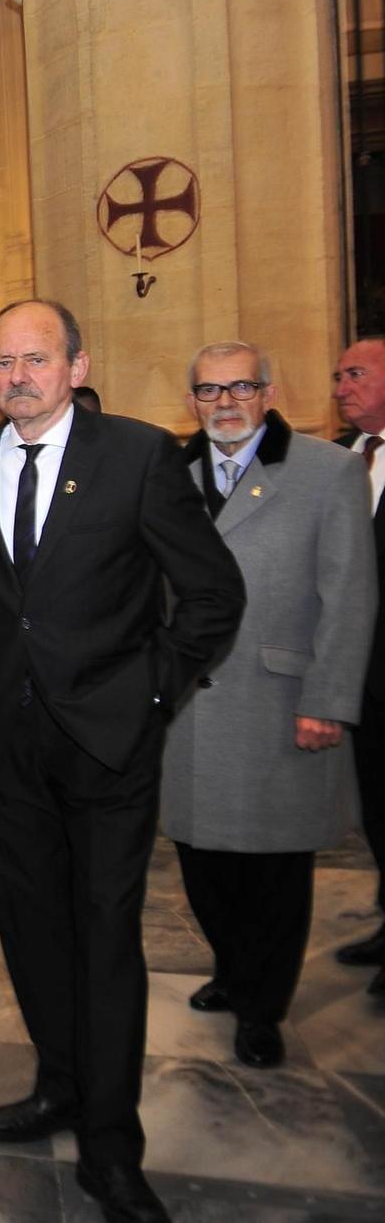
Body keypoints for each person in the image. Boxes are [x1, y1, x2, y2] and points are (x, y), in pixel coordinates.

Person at [0, 299, 244, 1223]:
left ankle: (111, 1148)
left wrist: (152, 694)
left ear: (75, 365)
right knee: (31, 932)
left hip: (109, 746)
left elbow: (214, 594)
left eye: (34, 359)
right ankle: (57, 1084)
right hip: (6, 749)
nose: (14, 375)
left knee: (104, 943)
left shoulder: (138, 456)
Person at [162, 341, 374, 1069]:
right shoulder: (169, 476)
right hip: (190, 705)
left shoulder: (328, 471)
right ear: (191, 401)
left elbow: (350, 595)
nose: (225, 402)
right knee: (201, 859)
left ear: (268, 392)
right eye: (209, 390)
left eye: (241, 386)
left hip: (284, 700)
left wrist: (329, 699)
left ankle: (262, 1006)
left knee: (275, 869)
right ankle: (232, 966)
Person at [331, 336, 385, 995]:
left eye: (355, 374)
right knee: (377, 805)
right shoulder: (344, 460)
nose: (341, 386)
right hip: (362, 675)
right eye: (339, 376)